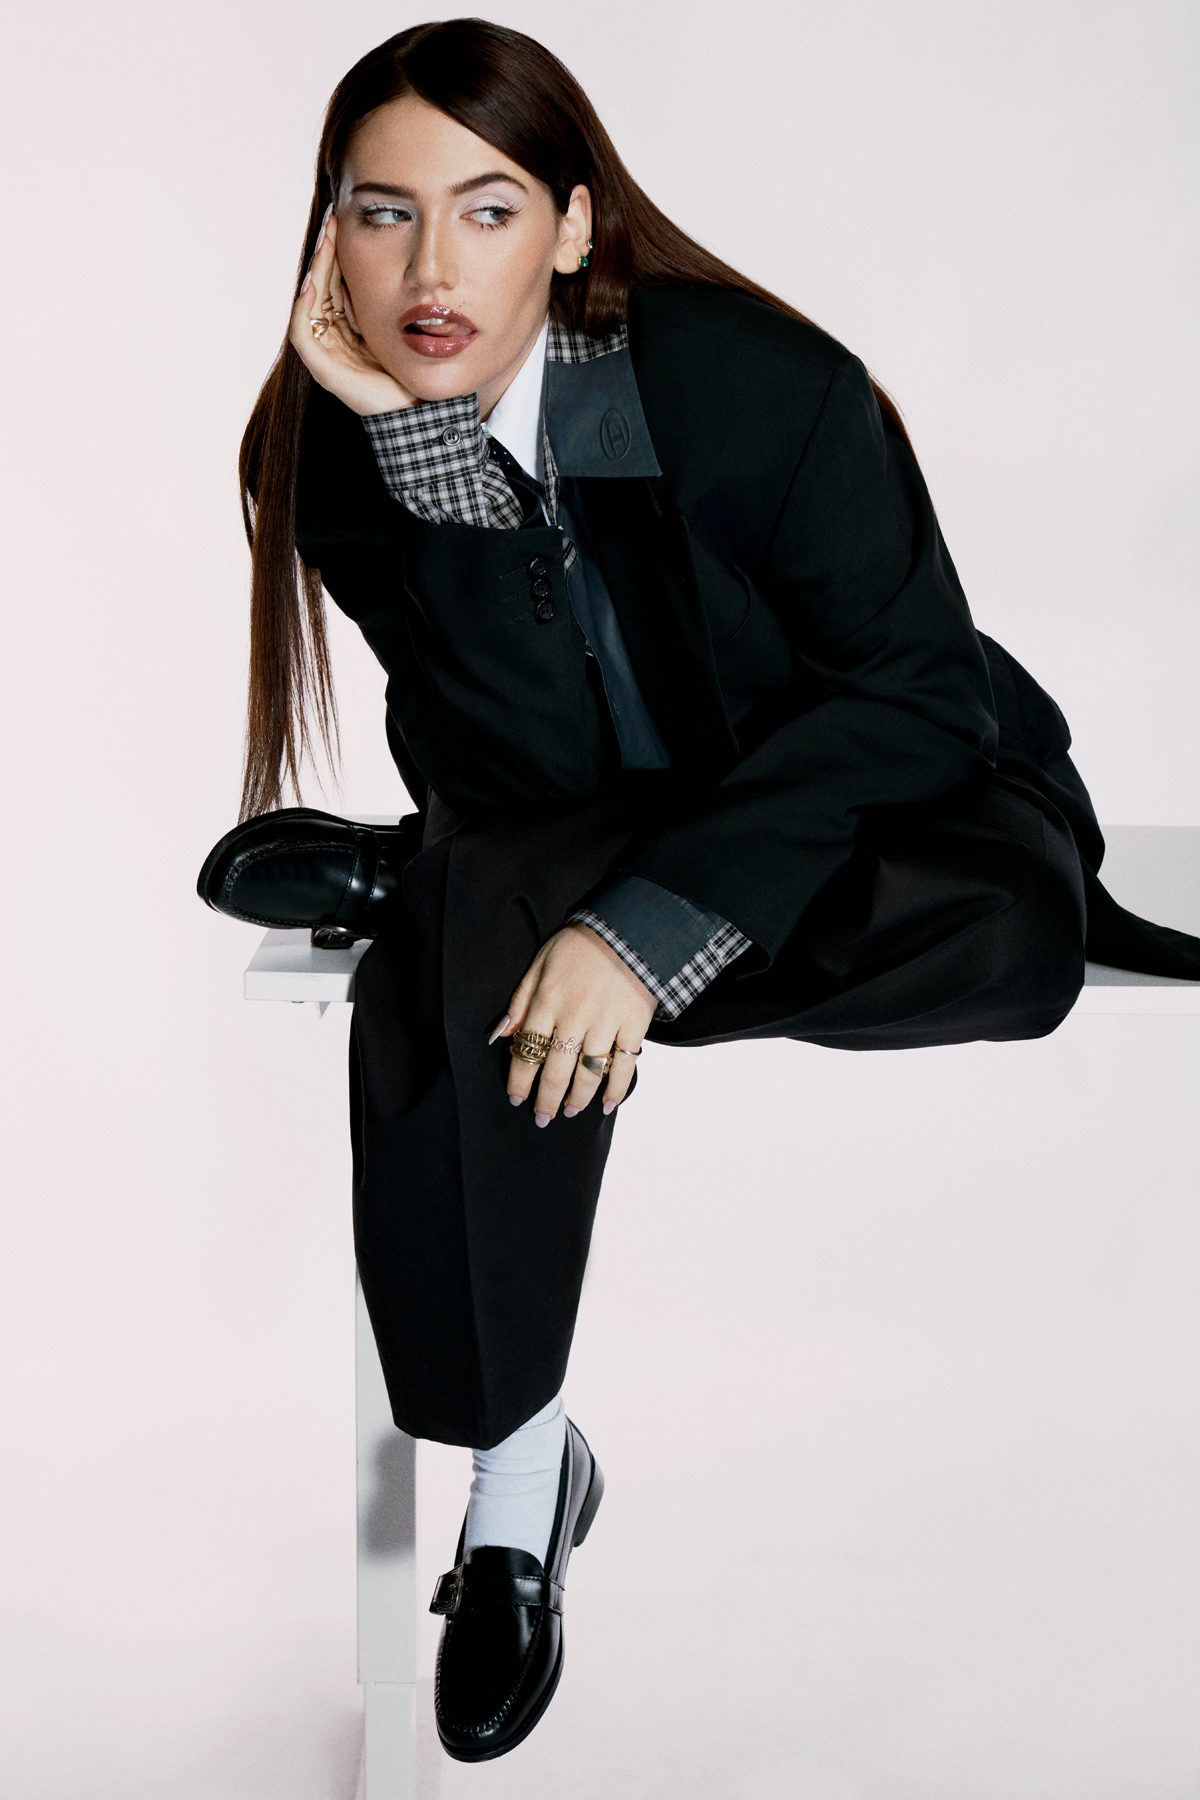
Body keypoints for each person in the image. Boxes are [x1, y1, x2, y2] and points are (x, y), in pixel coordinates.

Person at [234, 18, 1200, 1763]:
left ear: (572, 228)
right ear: (330, 237)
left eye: (486, 209)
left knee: (1009, 934)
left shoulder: (745, 385)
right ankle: (517, 1489)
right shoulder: (333, 453)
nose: (430, 269)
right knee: (489, 920)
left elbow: (914, 696)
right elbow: (520, 758)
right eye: (383, 214)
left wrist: (645, 933)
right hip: (564, 810)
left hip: (872, 783)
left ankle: (444, 897)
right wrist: (420, 448)